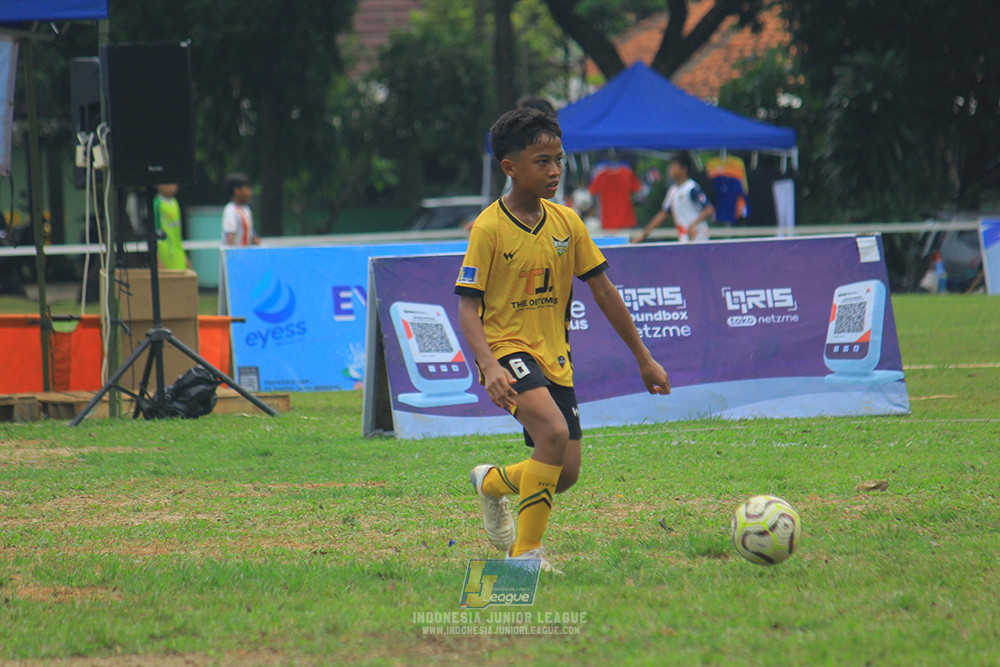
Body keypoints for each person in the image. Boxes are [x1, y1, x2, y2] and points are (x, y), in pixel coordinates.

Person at [455, 108, 671, 572]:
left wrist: (644, 358)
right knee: (552, 435)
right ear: (510, 168)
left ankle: (492, 483)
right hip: (506, 350)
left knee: (563, 472)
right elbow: (467, 307)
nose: (554, 170)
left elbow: (604, 291)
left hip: (556, 357)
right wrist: (489, 366)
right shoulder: (488, 228)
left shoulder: (568, 223)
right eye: (541, 161)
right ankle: (525, 557)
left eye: (559, 159)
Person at [631, 151, 715, 243]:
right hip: (684, 239)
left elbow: (708, 209)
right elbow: (663, 214)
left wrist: (693, 225)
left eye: (674, 166)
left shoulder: (691, 188)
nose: (671, 170)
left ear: (683, 169)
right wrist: (644, 234)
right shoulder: (673, 190)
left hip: (698, 238)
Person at [153, 183, 191, 270]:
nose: (172, 186)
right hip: (165, 255)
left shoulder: (175, 202)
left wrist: (184, 257)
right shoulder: (157, 204)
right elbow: (154, 233)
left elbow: (177, 235)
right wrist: (158, 260)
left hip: (178, 253)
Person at [221, 172, 260, 246]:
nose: (250, 192)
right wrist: (231, 255)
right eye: (246, 188)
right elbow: (230, 235)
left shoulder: (246, 210)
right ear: (236, 190)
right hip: (237, 255)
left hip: (245, 254)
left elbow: (251, 235)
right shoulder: (231, 210)